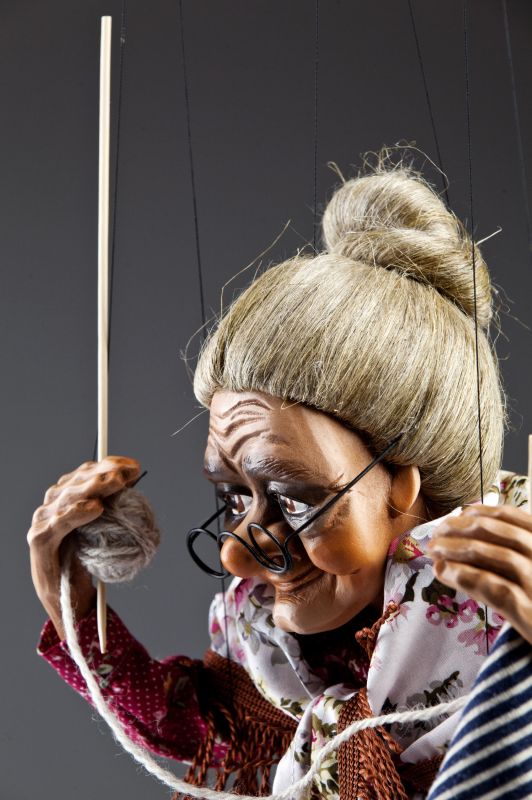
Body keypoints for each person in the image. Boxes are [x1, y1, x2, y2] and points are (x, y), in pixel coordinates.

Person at [28, 159, 532, 800]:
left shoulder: (504, 605)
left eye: (294, 498)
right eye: (234, 496)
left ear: (403, 484)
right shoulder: (265, 634)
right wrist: (70, 602)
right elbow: (208, 729)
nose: (237, 556)